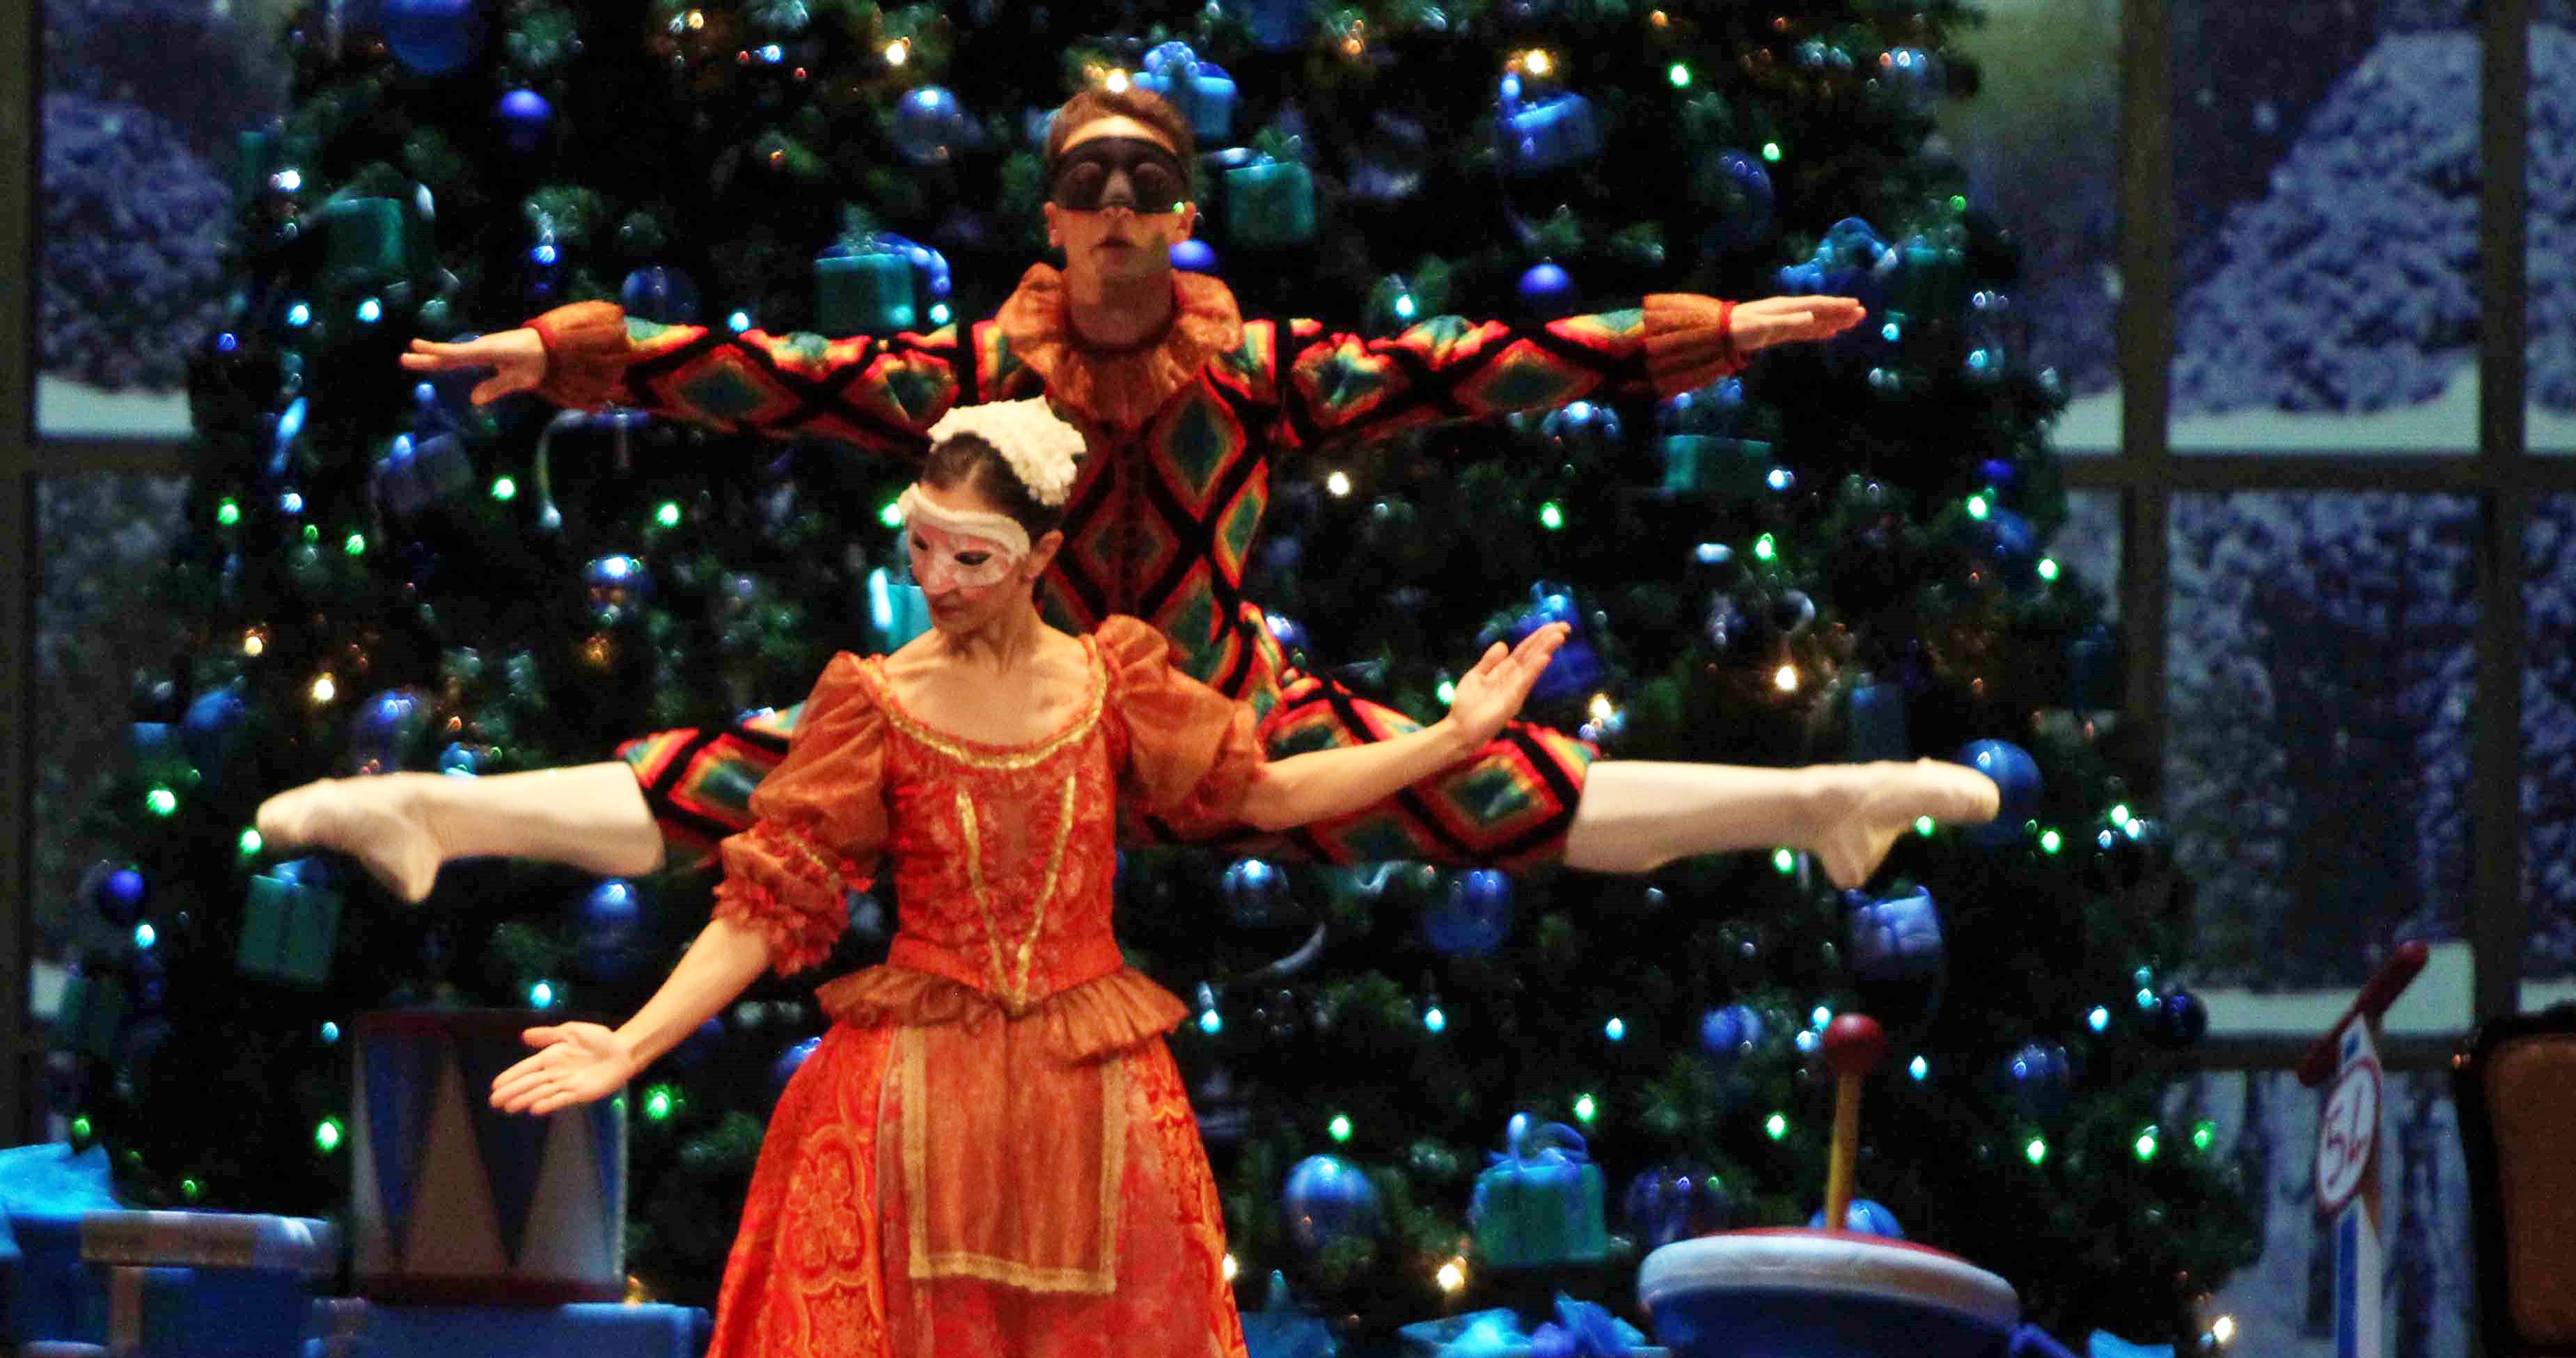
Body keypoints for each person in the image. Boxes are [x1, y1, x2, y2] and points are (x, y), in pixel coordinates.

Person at [489, 400, 1566, 1358]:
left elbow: (1263, 790)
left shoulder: (1112, 680)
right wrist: (634, 1041)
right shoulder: (876, 700)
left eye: (973, 554)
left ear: (1043, 554)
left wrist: (1445, 745)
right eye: (920, 546)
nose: (937, 577)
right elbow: (772, 897)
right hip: (908, 1096)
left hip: (1085, 1092)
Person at [259, 84, 1997, 898]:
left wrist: (1714, 333)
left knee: (1494, 785)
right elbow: (762, 371)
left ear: (1180, 216)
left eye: (1142, 187)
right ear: (1049, 218)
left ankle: (1826, 797)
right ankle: (434, 814)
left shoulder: (1258, 372)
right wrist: (570, 352)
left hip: (1223, 723)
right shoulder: (969, 372)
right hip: (998, 731)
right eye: (1085, 186)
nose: (1111, 214)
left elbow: (1483, 361)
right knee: (755, 775)